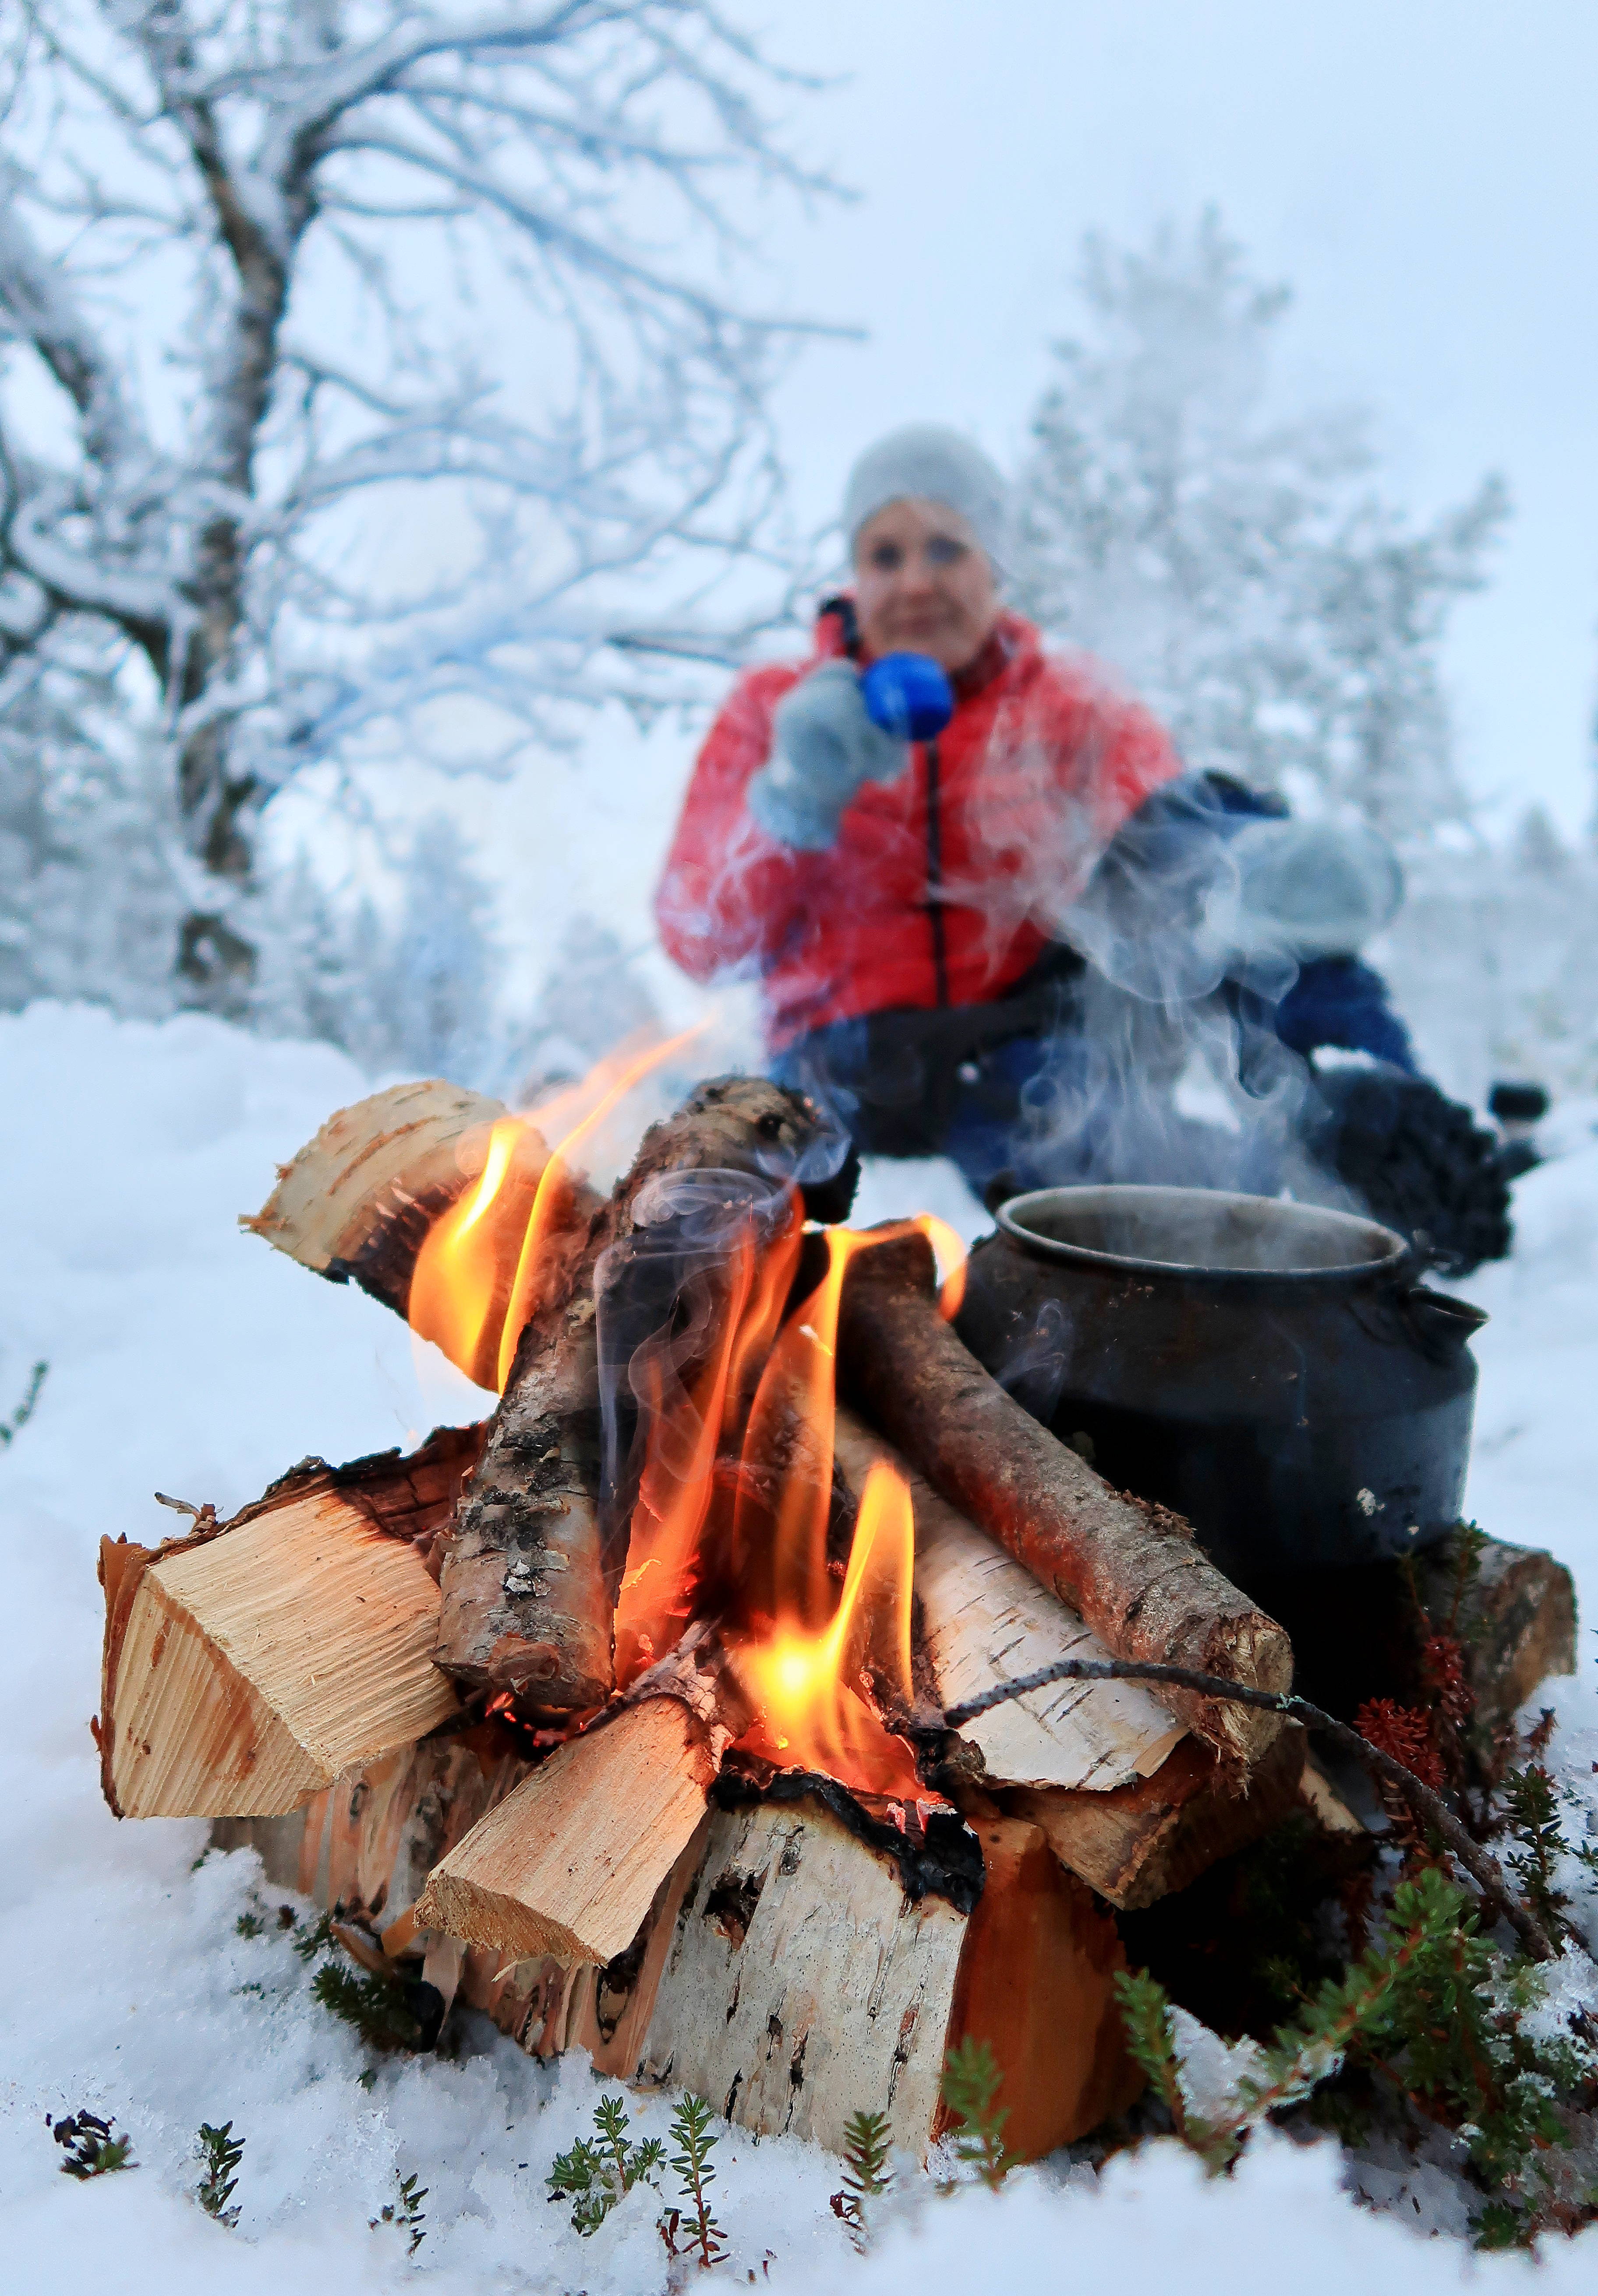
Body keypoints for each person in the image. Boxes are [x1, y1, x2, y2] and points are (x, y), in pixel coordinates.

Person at [655, 425, 1510, 1269]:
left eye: (946, 548)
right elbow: (700, 938)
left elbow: (1162, 844)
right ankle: (1280, 1193)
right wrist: (791, 800)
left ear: (996, 564)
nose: (915, 581)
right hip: (845, 1060)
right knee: (1071, 1164)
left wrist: (1244, 862)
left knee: (1207, 846)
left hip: (1025, 1046)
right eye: (885, 555)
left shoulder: (1070, 703)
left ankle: (1351, 1125)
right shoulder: (776, 707)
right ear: (854, 571)